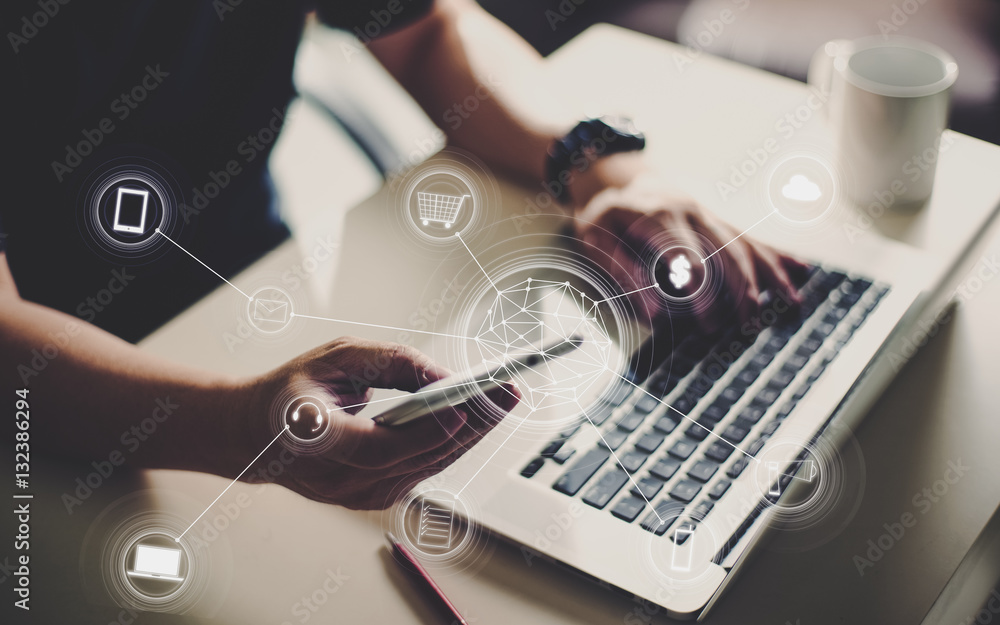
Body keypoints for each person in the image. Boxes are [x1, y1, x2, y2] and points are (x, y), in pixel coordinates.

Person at [1, 0, 805, 510]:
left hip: (254, 308)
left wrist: (600, 166)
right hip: (58, 442)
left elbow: (424, 32)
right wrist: (237, 424)